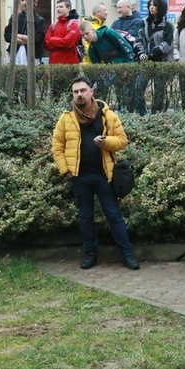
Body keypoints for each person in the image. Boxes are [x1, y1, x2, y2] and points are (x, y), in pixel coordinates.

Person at [52, 75, 140, 271]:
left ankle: (127, 255)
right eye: (76, 92)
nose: (79, 95)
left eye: (83, 90)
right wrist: (65, 170)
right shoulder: (66, 118)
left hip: (104, 176)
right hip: (79, 177)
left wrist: (106, 142)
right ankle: (90, 255)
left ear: (91, 92)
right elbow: (57, 146)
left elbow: (122, 140)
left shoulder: (107, 115)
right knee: (85, 217)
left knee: (114, 216)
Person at [136, 0, 174, 113]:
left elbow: (167, 44)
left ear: (161, 7)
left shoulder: (167, 25)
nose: (151, 7)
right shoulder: (144, 23)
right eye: (150, 5)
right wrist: (141, 53)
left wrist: (152, 53)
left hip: (161, 62)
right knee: (138, 87)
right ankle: (142, 113)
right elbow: (138, 40)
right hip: (146, 61)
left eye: (155, 5)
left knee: (159, 91)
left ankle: (156, 114)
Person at [3, 0, 47, 65]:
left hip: (33, 55)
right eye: (22, 0)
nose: (24, 3)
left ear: (34, 2)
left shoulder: (39, 20)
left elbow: (38, 39)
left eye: (26, 0)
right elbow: (7, 36)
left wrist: (16, 36)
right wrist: (27, 39)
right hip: (14, 53)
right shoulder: (15, 18)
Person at [44, 0, 81, 64]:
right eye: (57, 7)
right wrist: (61, 41)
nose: (58, 9)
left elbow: (67, 42)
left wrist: (52, 40)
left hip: (69, 64)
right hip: (53, 63)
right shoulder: (53, 25)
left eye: (61, 7)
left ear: (68, 8)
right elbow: (47, 43)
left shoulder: (74, 24)